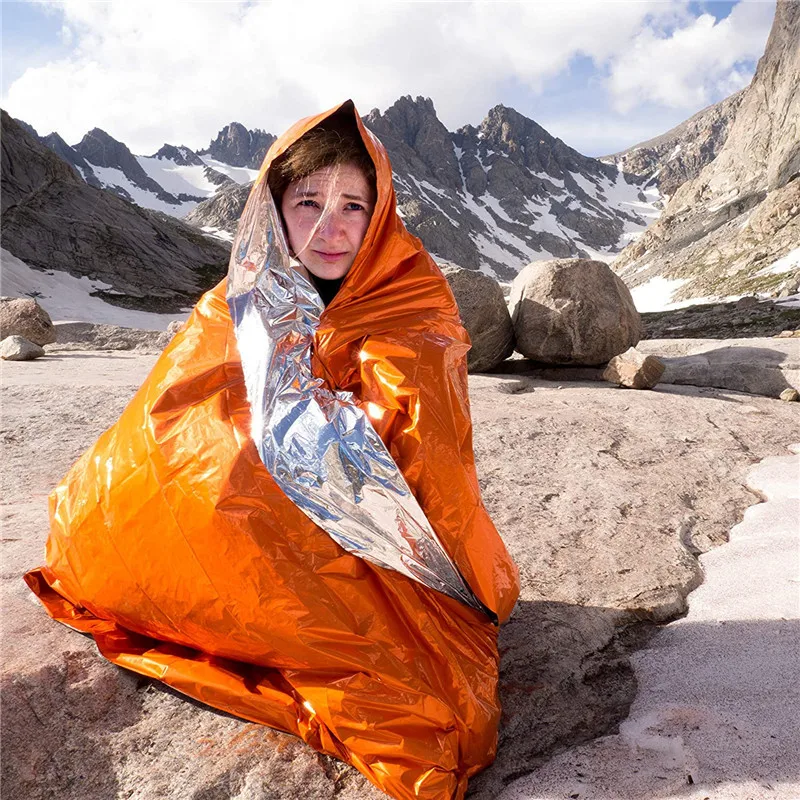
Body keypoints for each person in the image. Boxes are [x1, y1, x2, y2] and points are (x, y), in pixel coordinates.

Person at [25, 100, 520, 800]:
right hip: (248, 514)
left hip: (362, 526)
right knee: (213, 469)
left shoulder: (408, 295)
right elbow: (169, 419)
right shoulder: (230, 301)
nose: (329, 226)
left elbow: (425, 440)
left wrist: (302, 425)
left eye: (353, 205)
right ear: (272, 205)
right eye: (308, 200)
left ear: (379, 215)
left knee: (436, 706)